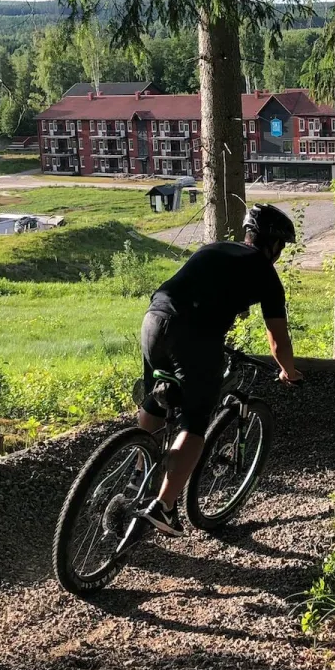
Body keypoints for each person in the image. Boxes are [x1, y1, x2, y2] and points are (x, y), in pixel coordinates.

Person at [128, 203, 303, 538]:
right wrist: (288, 371)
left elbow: (205, 288)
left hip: (154, 319)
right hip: (192, 333)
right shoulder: (266, 273)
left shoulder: (216, 249)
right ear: (274, 244)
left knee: (154, 400)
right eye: (281, 247)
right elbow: (278, 340)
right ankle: (163, 507)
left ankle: (139, 473)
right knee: (195, 423)